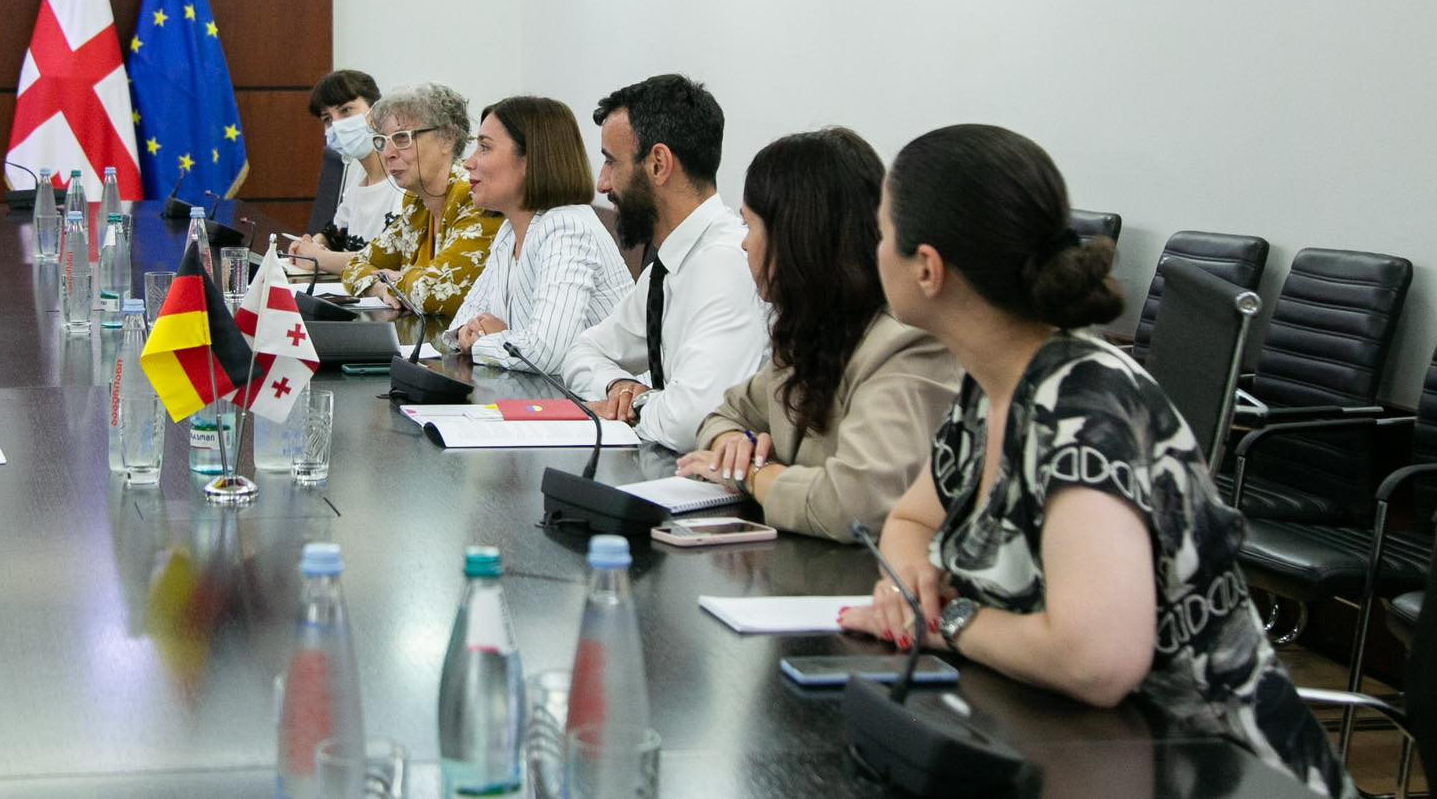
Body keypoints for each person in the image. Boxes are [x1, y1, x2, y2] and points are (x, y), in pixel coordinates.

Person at [839, 124, 1350, 799]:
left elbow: (1097, 660)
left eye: (882, 233)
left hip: (1212, 768)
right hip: (1077, 744)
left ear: (927, 268)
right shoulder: (993, 383)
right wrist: (911, 586)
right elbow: (910, 520)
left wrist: (944, 622)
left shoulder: (1086, 408)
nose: (876, 250)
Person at [674, 129, 960, 539]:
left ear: (794, 237)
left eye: (749, 225)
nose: (744, 245)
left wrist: (752, 475)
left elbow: (854, 504)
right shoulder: (808, 333)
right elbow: (725, 414)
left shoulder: (903, 346)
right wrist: (733, 441)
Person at [560, 74, 766, 452]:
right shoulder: (667, 265)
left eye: (611, 162)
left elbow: (693, 422)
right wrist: (617, 386)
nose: (601, 184)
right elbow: (581, 353)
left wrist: (638, 404)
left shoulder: (724, 264)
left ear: (658, 164)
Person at [445, 96, 633, 372]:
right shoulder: (509, 231)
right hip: (545, 392)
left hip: (612, 396)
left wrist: (485, 342)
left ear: (531, 160)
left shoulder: (568, 228)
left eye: (484, 148)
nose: (468, 162)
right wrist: (479, 335)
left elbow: (546, 352)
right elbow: (462, 323)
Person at [339, 82, 501, 319]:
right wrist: (380, 287)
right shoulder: (416, 204)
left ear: (447, 138)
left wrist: (394, 278)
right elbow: (354, 266)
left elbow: (435, 292)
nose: (388, 153)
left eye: (402, 138)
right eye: (382, 140)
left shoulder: (475, 199)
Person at [288, 69, 400, 276]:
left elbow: (387, 259)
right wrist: (310, 245)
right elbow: (335, 234)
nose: (337, 125)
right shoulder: (357, 177)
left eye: (346, 110)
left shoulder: (403, 180)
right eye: (327, 119)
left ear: (377, 110)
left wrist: (317, 258)